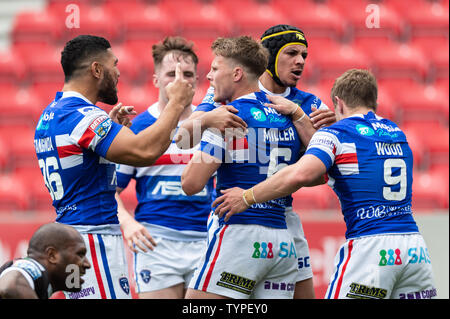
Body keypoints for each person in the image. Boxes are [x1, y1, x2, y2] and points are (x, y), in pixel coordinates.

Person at [213, 69, 437, 299]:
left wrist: (247, 196)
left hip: (371, 247)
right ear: (374, 100)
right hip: (415, 250)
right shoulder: (398, 133)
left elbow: (299, 175)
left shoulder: (337, 134)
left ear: (338, 103)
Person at [177, 24, 336, 299]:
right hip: (280, 235)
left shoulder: (230, 112)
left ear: (237, 73)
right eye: (292, 53)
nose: (209, 76)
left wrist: (210, 124)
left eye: (215, 69)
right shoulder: (289, 114)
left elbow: (190, 180)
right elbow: (315, 170)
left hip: (240, 227)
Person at [33, 35, 194, 299]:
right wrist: (176, 103)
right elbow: (144, 151)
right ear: (97, 70)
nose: (118, 72)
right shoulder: (82, 115)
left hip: (73, 234)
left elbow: (80, 165)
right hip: (94, 240)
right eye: (114, 65)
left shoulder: (52, 113)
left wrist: (109, 132)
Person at [115, 36, 214, 299]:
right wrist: (127, 223)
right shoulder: (138, 126)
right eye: (171, 73)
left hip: (206, 240)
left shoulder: (211, 123)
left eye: (188, 73)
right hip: (155, 242)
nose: (180, 80)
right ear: (156, 80)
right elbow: (108, 189)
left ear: (196, 80)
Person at [0, 223, 91, 299]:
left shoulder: (41, 284)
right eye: (80, 254)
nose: (87, 264)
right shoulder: (33, 268)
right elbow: (10, 287)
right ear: (52, 255)